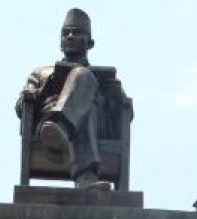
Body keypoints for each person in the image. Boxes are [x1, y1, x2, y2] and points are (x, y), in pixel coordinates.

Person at [17, 8, 129, 189]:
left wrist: (115, 95)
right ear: (60, 42)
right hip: (46, 127)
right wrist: (40, 91)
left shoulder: (105, 78)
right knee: (87, 103)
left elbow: (127, 114)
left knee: (84, 83)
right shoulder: (41, 73)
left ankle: (62, 126)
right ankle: (86, 177)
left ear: (90, 43)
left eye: (76, 32)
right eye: (65, 33)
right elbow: (20, 106)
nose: (69, 36)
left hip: (89, 127)